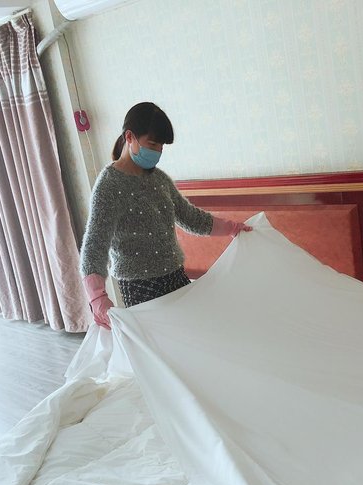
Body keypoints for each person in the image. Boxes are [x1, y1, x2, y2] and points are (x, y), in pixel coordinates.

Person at [79, 101, 251, 329]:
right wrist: (97, 298)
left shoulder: (158, 179)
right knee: (159, 344)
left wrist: (232, 228)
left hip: (175, 276)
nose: (158, 151)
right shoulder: (109, 185)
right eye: (153, 143)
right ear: (129, 137)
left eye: (161, 145)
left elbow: (190, 218)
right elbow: (94, 245)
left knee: (195, 334)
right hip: (140, 288)